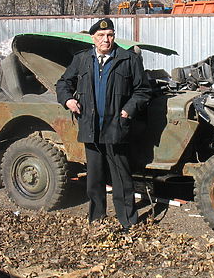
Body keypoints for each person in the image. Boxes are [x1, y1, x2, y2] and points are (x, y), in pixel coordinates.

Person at [56, 18, 151, 233]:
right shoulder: (82, 59)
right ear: (93, 38)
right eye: (101, 36)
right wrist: (68, 100)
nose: (105, 40)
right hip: (91, 127)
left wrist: (128, 110)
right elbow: (63, 83)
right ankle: (96, 219)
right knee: (94, 178)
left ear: (114, 36)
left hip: (116, 127)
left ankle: (128, 220)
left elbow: (143, 90)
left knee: (121, 178)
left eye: (109, 35)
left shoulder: (128, 59)